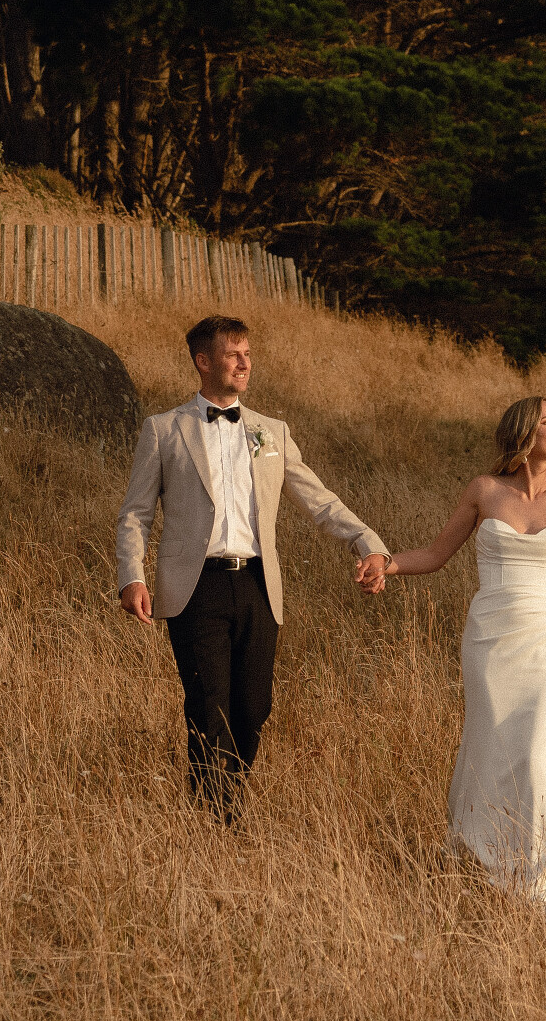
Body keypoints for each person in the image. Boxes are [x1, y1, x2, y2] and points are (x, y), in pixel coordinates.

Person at [116, 313, 390, 815]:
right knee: (209, 707)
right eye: (233, 355)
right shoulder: (164, 429)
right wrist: (132, 576)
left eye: (247, 354)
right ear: (204, 361)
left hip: (259, 587)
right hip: (195, 588)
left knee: (253, 708)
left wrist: (366, 542)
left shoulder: (271, 431)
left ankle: (228, 794)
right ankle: (217, 817)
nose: (244, 364)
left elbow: (319, 500)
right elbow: (135, 514)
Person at [360, 395, 546, 909]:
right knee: (488, 746)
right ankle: (480, 863)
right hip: (489, 638)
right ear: (523, 432)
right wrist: (387, 564)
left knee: (534, 756)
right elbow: (436, 553)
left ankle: (537, 881)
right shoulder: (484, 490)